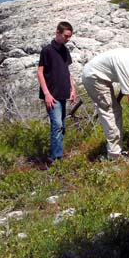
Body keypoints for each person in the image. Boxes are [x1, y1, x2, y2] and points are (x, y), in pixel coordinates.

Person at [37, 21, 77, 163]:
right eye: (66, 36)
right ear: (58, 33)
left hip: (63, 93)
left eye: (69, 37)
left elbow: (67, 71)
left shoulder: (65, 50)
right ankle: (53, 158)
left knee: (62, 126)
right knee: (57, 125)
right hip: (52, 95)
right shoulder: (47, 50)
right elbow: (40, 72)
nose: (68, 39)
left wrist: (73, 88)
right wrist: (46, 94)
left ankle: (57, 156)